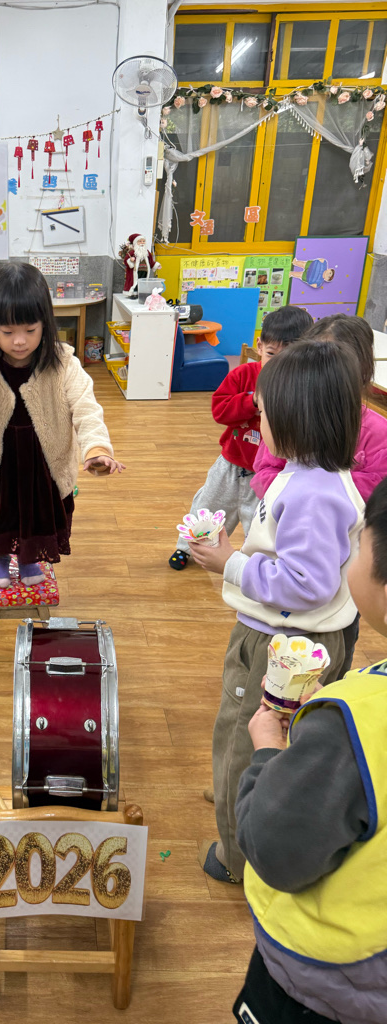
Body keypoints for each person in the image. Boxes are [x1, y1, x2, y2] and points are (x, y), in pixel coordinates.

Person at [189, 341, 365, 884]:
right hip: (295, 639)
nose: (257, 422)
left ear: (294, 418)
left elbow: (305, 585)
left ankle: (237, 855)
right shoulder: (312, 474)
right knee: (279, 738)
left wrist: (231, 565)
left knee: (241, 740)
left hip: (278, 645)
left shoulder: (312, 493)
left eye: (263, 413)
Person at [232, 475, 387, 1024]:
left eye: (358, 545)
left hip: (327, 984)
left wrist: (268, 754)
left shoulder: (352, 723)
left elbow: (274, 847)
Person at [0, 262, 124, 588]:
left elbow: (86, 409)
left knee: (38, 513)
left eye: (30, 330)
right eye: (7, 332)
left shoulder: (64, 363)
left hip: (42, 463)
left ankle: (29, 558)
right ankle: (0, 559)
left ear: (45, 323)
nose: (19, 341)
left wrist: (96, 449)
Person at [252, 314, 387, 675]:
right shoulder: (286, 424)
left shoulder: (375, 431)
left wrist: (320, 487)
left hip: (345, 567)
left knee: (336, 641)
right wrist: (292, 492)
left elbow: (377, 493)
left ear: (360, 372)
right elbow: (265, 470)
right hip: (288, 555)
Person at [169, 305, 313, 571]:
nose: (277, 364)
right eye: (271, 354)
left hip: (271, 474)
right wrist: (252, 400)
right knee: (207, 507)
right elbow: (219, 411)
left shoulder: (303, 388)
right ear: (259, 346)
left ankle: (253, 565)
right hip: (231, 463)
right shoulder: (243, 375)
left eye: (288, 357)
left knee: (259, 522)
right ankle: (187, 548)